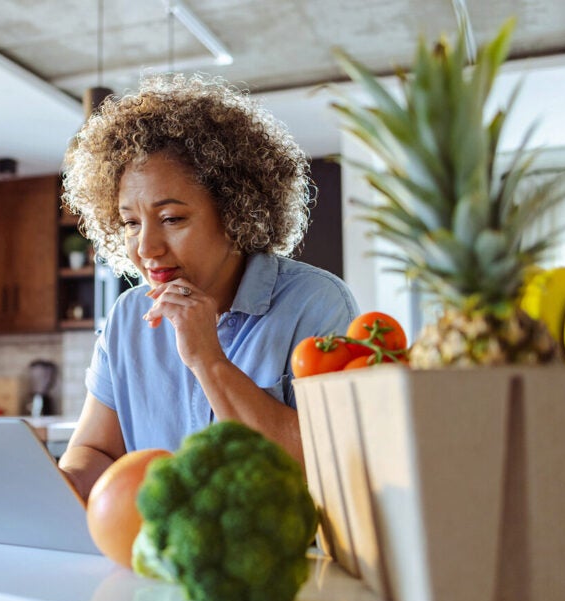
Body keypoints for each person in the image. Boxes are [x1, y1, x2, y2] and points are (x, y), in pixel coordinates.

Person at [58, 73, 359, 500]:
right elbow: (96, 451)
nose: (146, 247)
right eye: (130, 222)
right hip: (155, 559)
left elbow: (324, 465)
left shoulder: (316, 303)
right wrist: (60, 484)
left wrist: (207, 359)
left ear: (237, 213)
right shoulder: (127, 315)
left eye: (172, 219)